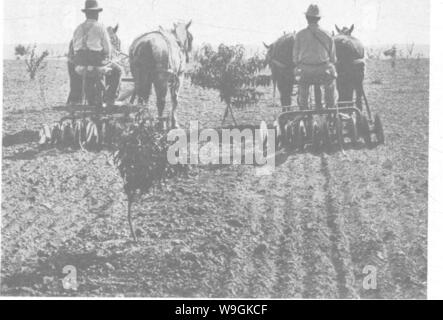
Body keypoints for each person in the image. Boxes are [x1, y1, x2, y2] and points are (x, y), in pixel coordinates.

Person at [71, 0, 121, 107]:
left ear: (86, 14)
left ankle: (86, 98)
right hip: (96, 63)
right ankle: (110, 99)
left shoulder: (78, 28)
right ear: (96, 14)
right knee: (118, 70)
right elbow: (107, 50)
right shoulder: (101, 28)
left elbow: (74, 47)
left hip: (80, 65)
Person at [292, 4, 337, 110]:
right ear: (319, 18)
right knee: (331, 83)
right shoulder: (327, 34)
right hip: (323, 71)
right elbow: (333, 58)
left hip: (305, 71)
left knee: (302, 87)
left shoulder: (299, 35)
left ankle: (303, 108)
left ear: (307, 18)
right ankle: (331, 107)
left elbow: (295, 58)